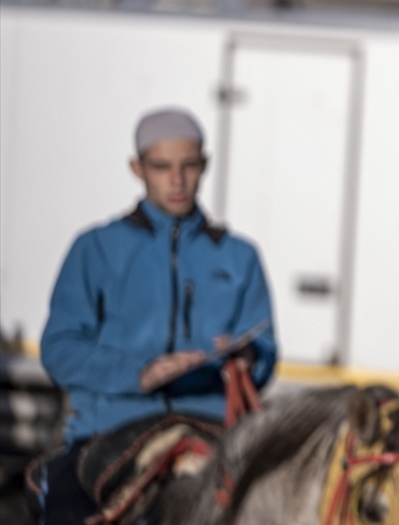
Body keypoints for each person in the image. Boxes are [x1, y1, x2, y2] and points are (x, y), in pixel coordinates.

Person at [30, 107, 278, 524]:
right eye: (162, 167)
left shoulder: (240, 256)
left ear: (206, 165)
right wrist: (139, 374)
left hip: (211, 430)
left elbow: (265, 353)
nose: (177, 180)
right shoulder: (95, 248)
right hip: (109, 430)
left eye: (189, 166)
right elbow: (59, 349)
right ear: (137, 168)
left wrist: (248, 359)